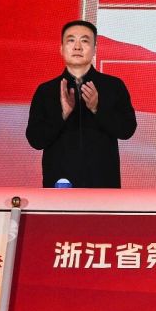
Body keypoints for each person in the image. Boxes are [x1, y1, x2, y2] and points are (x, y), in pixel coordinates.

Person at [25, 20, 137, 188]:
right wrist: (62, 115)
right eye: (71, 40)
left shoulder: (113, 86)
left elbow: (127, 130)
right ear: (61, 48)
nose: (77, 47)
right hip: (59, 185)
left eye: (84, 41)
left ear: (94, 49)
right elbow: (35, 140)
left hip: (103, 186)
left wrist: (98, 109)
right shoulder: (46, 90)